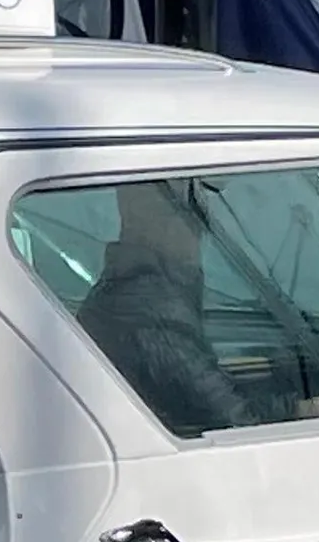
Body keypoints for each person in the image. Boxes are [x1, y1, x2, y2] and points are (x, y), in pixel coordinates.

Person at [76, 183, 260, 435]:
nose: (199, 235)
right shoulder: (152, 311)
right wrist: (295, 410)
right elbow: (232, 416)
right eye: (191, 220)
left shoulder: (120, 290)